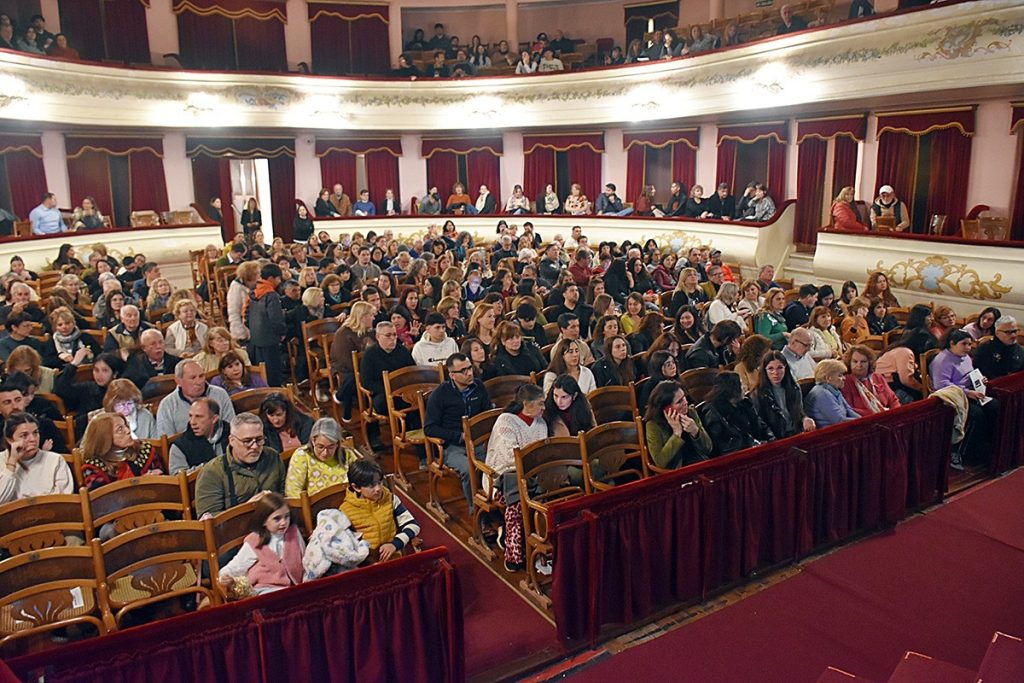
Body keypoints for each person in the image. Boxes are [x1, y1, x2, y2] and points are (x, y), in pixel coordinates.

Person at [485, 383, 547, 571]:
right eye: (540, 404)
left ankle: (539, 543)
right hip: (501, 477)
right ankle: (513, 552)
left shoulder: (540, 423)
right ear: (526, 404)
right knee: (518, 503)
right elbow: (508, 456)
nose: (544, 408)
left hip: (531, 475)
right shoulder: (506, 422)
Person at [423, 353, 493, 510]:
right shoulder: (440, 394)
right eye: (463, 371)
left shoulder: (479, 387)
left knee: (494, 464)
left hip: (478, 442)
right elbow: (429, 428)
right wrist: (458, 436)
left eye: (470, 368)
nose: (469, 373)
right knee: (469, 469)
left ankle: (492, 503)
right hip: (452, 446)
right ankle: (475, 510)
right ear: (452, 375)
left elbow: (487, 413)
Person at [195, 413, 286, 518]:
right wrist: (247, 509)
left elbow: (284, 496)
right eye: (247, 441)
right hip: (236, 532)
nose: (255, 446)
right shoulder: (212, 471)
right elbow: (208, 520)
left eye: (259, 439)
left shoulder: (272, 457)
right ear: (232, 440)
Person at [217, 492, 305, 596]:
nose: (283, 522)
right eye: (277, 518)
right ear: (264, 521)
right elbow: (236, 566)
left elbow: (304, 557)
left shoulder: (293, 532)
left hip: (294, 588)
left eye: (286, 517)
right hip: (265, 589)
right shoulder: (255, 541)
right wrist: (224, 576)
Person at [341, 459, 420, 563]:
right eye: (371, 485)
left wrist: (395, 544)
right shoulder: (345, 511)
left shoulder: (390, 499)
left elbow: (413, 525)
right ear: (356, 487)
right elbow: (344, 545)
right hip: (364, 565)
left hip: (392, 557)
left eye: (380, 482)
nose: (378, 488)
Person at [0, 412, 73, 503]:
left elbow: (64, 499)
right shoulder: (1, 460)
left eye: (35, 433)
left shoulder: (55, 460)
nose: (33, 439)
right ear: (10, 440)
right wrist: (12, 462)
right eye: (24, 435)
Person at [80, 412, 162, 491]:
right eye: (120, 429)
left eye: (126, 425)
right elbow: (101, 499)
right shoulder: (93, 466)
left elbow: (162, 480)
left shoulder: (144, 449)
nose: (128, 431)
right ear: (104, 438)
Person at [698, 372, 774, 456]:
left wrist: (772, 440)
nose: (744, 387)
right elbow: (725, 446)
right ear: (732, 389)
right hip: (738, 456)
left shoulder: (745, 403)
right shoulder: (713, 413)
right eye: (741, 384)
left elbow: (761, 425)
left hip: (755, 449)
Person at [283, 417, 360, 498]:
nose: (325, 453)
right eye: (320, 447)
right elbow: (292, 492)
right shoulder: (302, 455)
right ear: (313, 441)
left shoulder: (347, 455)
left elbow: (361, 480)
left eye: (331, 447)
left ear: (337, 443)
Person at [155, 359, 235, 436]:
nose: (199, 382)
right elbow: (166, 439)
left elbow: (231, 428)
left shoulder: (220, 394)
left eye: (201, 376)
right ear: (179, 381)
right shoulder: (167, 405)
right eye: (193, 378)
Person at [644, 381, 712, 469]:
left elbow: (708, 448)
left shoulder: (691, 412)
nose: (686, 402)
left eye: (684, 397)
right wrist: (677, 433)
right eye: (679, 401)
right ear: (666, 408)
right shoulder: (653, 425)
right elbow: (660, 462)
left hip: (700, 464)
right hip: (675, 472)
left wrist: (695, 431)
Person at [752, 351, 815, 438]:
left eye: (779, 368)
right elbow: (760, 423)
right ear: (764, 370)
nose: (775, 372)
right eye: (770, 368)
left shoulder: (794, 388)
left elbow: (799, 412)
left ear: (785, 368)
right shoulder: (757, 394)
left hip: (796, 433)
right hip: (775, 438)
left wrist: (805, 419)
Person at [247, 263, 287, 387]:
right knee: (273, 374)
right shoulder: (271, 295)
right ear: (271, 278)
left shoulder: (253, 292)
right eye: (278, 278)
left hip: (255, 339)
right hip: (270, 340)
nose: (279, 281)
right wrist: (282, 332)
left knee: (261, 374)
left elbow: (246, 315)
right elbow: (276, 318)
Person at [168, 397, 229, 475]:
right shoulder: (180, 446)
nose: (192, 422)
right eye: (190, 416)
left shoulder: (232, 435)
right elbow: (177, 477)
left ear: (214, 419)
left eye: (198, 416)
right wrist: (205, 468)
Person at [841, 345, 900, 417]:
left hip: (888, 416)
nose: (859, 365)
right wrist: (876, 413)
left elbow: (893, 400)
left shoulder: (877, 377)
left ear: (869, 363)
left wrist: (895, 415)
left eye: (863, 362)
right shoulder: (845, 381)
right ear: (849, 363)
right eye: (855, 361)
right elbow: (849, 409)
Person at [804, 359, 859, 427]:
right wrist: (862, 423)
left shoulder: (834, 390)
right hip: (827, 433)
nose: (844, 378)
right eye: (840, 375)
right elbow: (839, 421)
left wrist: (863, 420)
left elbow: (849, 410)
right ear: (828, 378)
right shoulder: (822, 394)